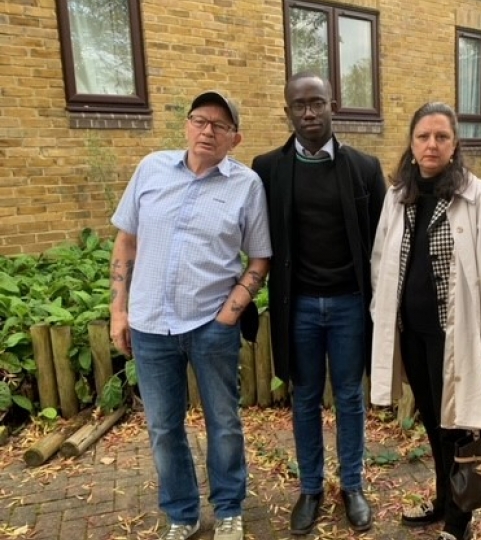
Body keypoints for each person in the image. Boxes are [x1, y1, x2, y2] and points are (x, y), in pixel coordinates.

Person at [109, 91, 271, 540]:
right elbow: (126, 242)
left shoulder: (246, 185)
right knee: (163, 427)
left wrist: (229, 314)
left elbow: (260, 259)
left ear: (234, 138)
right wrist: (118, 310)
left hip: (209, 325)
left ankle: (229, 509)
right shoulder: (151, 169)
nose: (207, 131)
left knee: (224, 423)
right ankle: (181, 515)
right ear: (186, 125)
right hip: (149, 326)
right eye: (200, 120)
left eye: (219, 125)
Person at [370, 102, 481, 540]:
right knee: (435, 425)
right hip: (413, 335)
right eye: (423, 137)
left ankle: (458, 522)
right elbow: (381, 260)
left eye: (441, 137)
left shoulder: (480, 197)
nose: (431, 144)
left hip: (458, 339)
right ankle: (442, 501)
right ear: (412, 145)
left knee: (458, 429)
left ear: (455, 145)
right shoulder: (398, 196)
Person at [250, 72, 386, 535]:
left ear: (334, 105)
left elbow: (383, 245)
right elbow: (252, 236)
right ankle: (310, 488)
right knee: (305, 397)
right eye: (299, 105)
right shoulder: (267, 168)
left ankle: (352, 486)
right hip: (300, 307)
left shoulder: (364, 168)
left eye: (317, 103)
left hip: (350, 304)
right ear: (287, 111)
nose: (308, 113)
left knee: (349, 397)